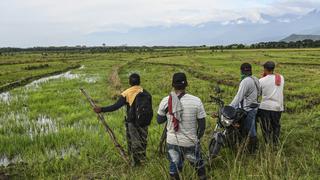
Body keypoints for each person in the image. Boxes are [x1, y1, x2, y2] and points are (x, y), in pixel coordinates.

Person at [94, 73, 153, 166]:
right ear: (139, 81)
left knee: (135, 141)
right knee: (143, 140)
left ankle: (137, 164)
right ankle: (143, 159)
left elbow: (115, 106)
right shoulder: (146, 93)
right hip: (145, 121)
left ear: (129, 82)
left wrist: (101, 109)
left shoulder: (127, 93)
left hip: (132, 121)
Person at [157, 72, 207, 180]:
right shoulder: (196, 101)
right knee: (199, 169)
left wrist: (171, 112)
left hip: (172, 141)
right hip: (190, 141)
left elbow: (159, 120)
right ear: (186, 84)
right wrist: (196, 139)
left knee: (174, 169)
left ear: (172, 85)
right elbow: (202, 126)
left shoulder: (166, 101)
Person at [230, 63, 260, 153]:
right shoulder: (255, 79)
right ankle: (248, 147)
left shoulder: (245, 81)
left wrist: (230, 107)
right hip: (254, 107)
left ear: (242, 71)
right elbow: (259, 92)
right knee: (248, 128)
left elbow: (239, 97)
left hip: (247, 109)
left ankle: (252, 150)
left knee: (250, 130)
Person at [258, 61, 284, 146]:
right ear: (273, 68)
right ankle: (275, 143)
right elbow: (275, 77)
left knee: (266, 128)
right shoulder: (280, 78)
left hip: (265, 107)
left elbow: (259, 93)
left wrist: (263, 77)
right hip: (277, 107)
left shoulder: (261, 80)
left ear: (265, 69)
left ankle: (267, 144)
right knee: (276, 126)